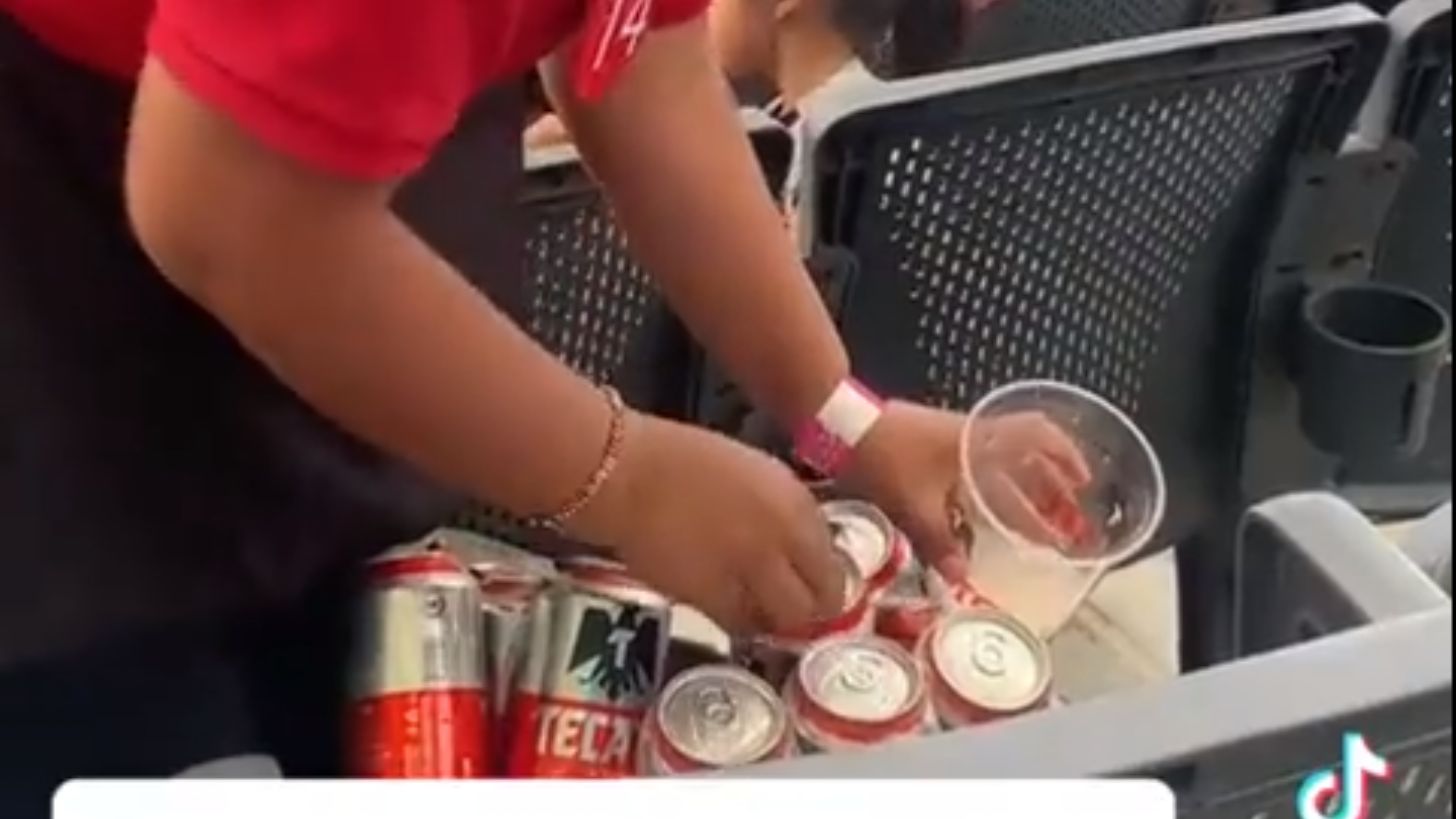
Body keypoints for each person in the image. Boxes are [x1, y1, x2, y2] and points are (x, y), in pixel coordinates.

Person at [0, 0, 1081, 805]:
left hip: (288, 234)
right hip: (62, 286)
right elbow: (227, 207)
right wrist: (624, 477)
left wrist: (842, 417)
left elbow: (638, 60)